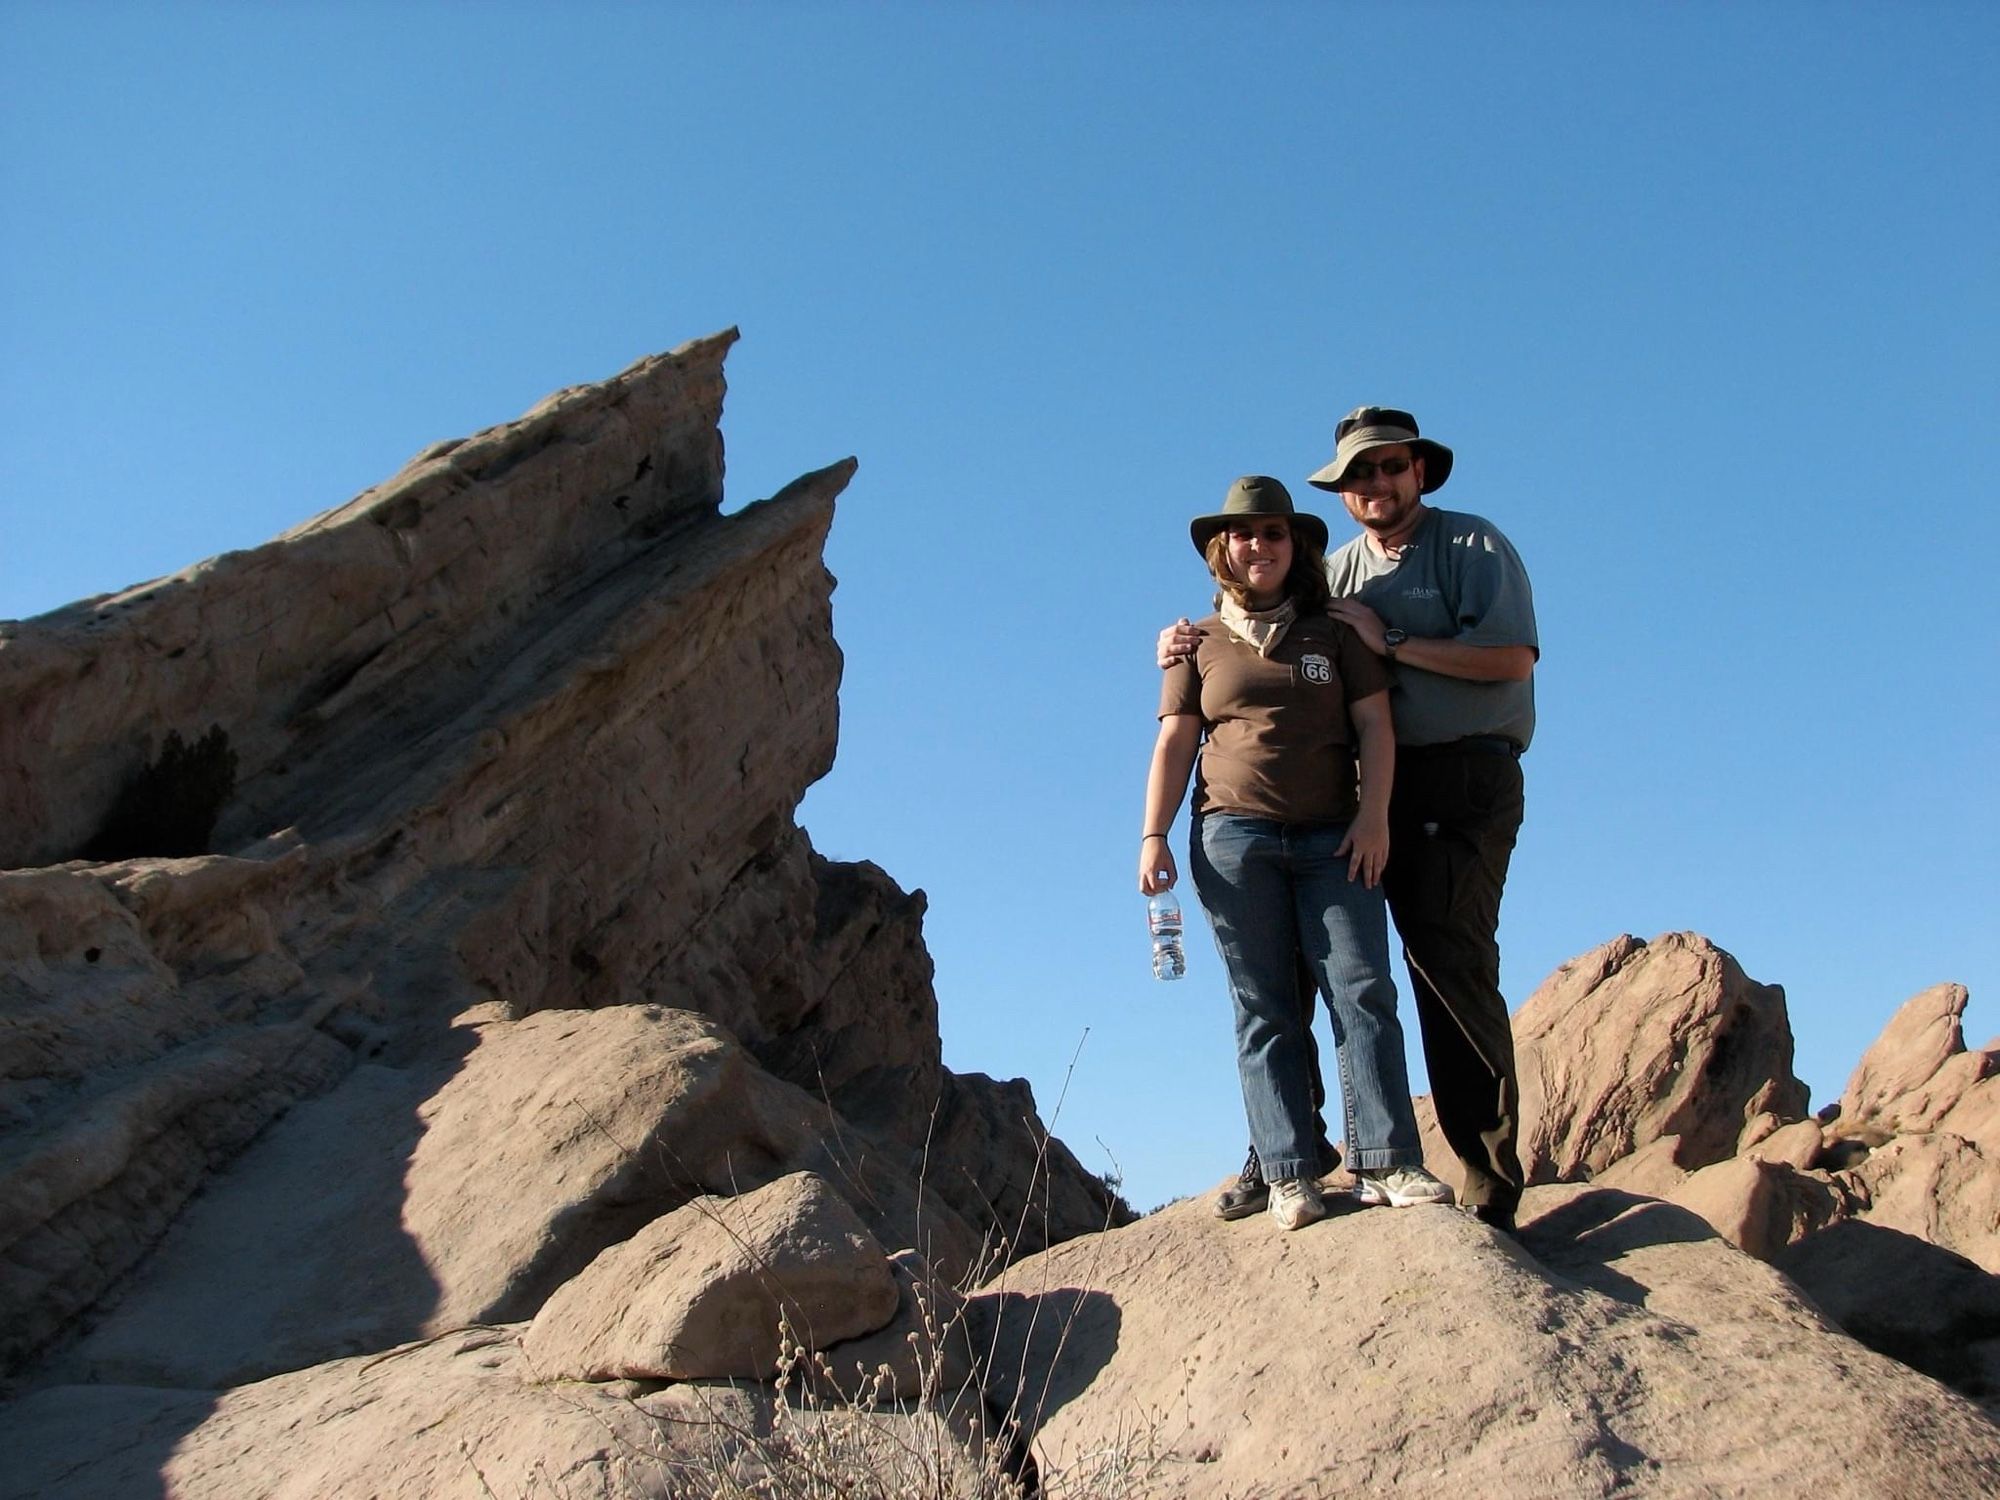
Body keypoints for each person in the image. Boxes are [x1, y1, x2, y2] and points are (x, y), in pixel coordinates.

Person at [1161, 408, 1538, 1235]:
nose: (1375, 485)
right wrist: (1183, 636)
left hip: (1458, 776)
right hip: (1346, 791)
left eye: (1389, 468)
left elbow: (1512, 658)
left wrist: (1395, 640)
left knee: (1442, 968)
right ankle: (1284, 1158)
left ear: (1419, 471)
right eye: (1359, 475)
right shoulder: (1332, 569)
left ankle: (1485, 1180)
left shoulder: (1471, 546)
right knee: (1287, 976)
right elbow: (1256, 616)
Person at [1141, 475, 1451, 1231]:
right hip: (1233, 838)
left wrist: (1373, 817)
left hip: (1333, 837)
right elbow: (1177, 738)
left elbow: (1376, 728)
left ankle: (1384, 1159)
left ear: (1295, 546)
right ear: (1223, 548)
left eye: (1274, 533)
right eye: (1245, 534)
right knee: (1264, 1007)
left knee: (1363, 988)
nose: (1259, 546)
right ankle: (1289, 1170)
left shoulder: (1335, 630)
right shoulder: (1195, 642)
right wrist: (1152, 833)